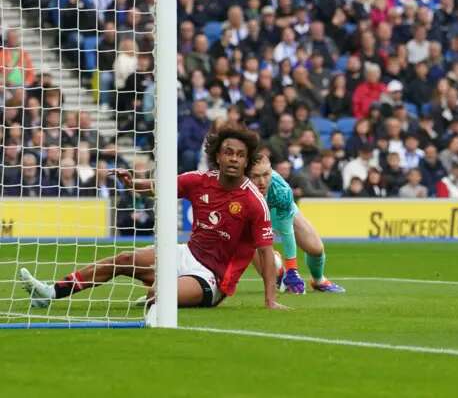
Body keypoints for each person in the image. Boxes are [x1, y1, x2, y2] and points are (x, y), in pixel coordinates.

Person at [19, 126, 287, 310]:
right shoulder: (199, 180)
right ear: (217, 155)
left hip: (211, 278)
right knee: (123, 260)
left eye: (240, 155)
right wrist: (133, 182)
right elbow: (157, 187)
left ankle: (161, 291)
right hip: (185, 255)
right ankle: (51, 292)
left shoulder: (253, 201)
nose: (233, 159)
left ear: (247, 161)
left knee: (157, 296)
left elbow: (264, 252)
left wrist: (270, 300)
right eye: (228, 152)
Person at [248, 147, 345, 294]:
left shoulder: (282, 191)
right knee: (266, 266)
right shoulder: (237, 189)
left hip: (279, 211)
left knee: (316, 249)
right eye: (255, 176)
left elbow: (286, 232)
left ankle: (318, 280)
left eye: (266, 174)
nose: (262, 181)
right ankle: (278, 271)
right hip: (253, 219)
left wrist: (293, 270)